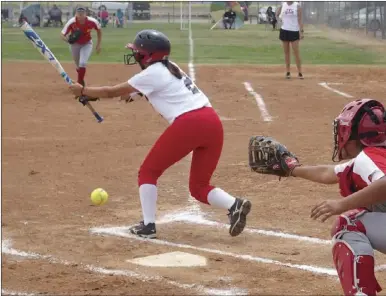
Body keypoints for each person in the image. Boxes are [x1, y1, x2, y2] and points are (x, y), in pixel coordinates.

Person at [68, 29, 252, 239]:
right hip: (212, 124)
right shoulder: (171, 67)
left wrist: (82, 90)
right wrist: (98, 97)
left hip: (190, 123)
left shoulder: (152, 73)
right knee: (199, 187)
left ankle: (148, 226)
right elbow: (134, 93)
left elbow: (112, 91)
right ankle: (234, 204)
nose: (135, 55)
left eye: (137, 52)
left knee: (148, 172)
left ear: (148, 55)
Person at [249, 98, 386, 295]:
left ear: (352, 135)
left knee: (348, 223)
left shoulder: (369, 158)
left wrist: (341, 204)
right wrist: (292, 168)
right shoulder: (376, 156)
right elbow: (329, 173)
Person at [61, 6, 102, 86]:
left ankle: (79, 84)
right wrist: (68, 40)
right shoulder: (72, 22)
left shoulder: (92, 21)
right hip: (74, 45)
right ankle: (81, 79)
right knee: (78, 66)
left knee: (82, 63)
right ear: (76, 14)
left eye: (82, 14)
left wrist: (98, 45)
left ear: (85, 14)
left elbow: (99, 31)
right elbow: (62, 35)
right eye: (78, 14)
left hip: (87, 44)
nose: (80, 16)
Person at [276, 1, 304, 79]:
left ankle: (300, 72)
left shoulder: (297, 6)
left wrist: (301, 32)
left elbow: (300, 20)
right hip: (284, 30)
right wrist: (278, 19)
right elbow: (277, 14)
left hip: (294, 31)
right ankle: (288, 72)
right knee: (286, 52)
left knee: (296, 52)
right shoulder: (283, 4)